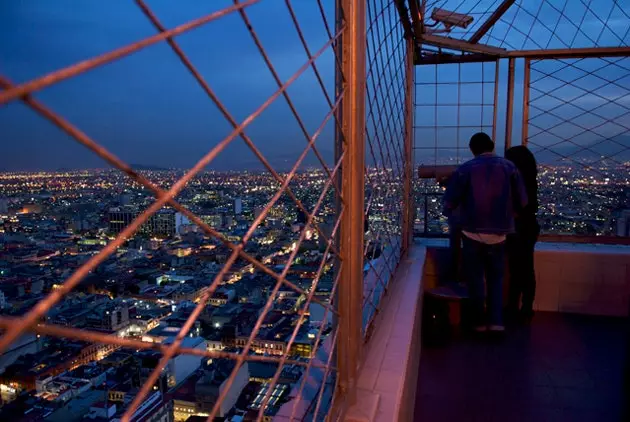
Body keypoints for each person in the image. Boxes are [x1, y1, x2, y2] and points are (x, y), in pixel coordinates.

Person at [443, 133, 527, 333]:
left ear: (472, 149)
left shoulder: (466, 170)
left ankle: (479, 322)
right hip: (500, 234)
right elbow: (522, 200)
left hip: (472, 232)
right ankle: (496, 322)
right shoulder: (510, 167)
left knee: (475, 278)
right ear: (492, 146)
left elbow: (450, 202)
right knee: (496, 278)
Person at [505, 145, 540, 323]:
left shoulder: (515, 181)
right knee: (526, 269)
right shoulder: (530, 181)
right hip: (529, 227)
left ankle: (513, 306)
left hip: (518, 228)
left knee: (516, 270)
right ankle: (525, 307)